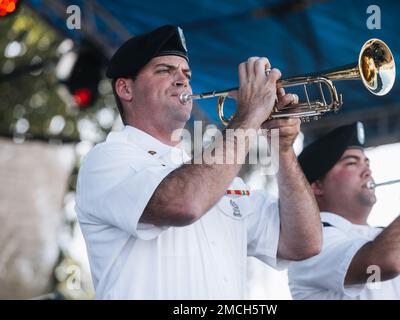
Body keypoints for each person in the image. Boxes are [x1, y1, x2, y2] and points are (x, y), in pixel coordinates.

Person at [75, 25, 322, 299]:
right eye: (165, 70)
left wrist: (283, 149)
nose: (182, 80)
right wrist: (250, 115)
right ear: (125, 88)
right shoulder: (107, 160)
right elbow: (185, 204)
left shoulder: (217, 177)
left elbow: (304, 243)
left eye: (186, 74)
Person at [287, 121, 400, 299]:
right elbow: (389, 261)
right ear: (317, 186)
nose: (367, 171)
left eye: (366, 162)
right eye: (351, 163)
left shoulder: (392, 238)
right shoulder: (309, 245)